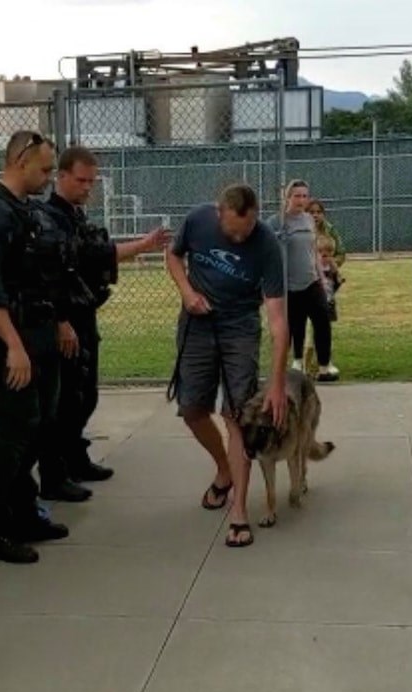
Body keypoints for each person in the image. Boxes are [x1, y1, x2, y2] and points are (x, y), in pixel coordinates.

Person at [0, 131, 70, 565]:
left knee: (37, 429)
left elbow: (46, 276)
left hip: (40, 334)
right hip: (15, 340)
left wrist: (61, 323)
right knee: (11, 437)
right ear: (20, 160)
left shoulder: (29, 213)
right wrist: (13, 346)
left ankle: (24, 515)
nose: (47, 178)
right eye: (44, 169)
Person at [166, 184, 289, 549]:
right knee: (192, 409)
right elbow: (173, 257)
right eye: (233, 231)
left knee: (238, 416)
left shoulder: (267, 244)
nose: (240, 238)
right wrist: (187, 293)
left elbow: (279, 321)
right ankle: (224, 469)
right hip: (197, 324)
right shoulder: (197, 220)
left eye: (247, 230)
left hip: (240, 328)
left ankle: (238, 511)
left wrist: (278, 383)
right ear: (219, 213)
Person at [44, 145, 170, 483]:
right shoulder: (52, 219)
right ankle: (57, 471)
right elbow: (93, 256)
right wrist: (144, 246)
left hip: (83, 314)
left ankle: (74, 458)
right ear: (62, 176)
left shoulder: (73, 216)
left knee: (84, 393)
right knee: (69, 397)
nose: (88, 187)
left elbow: (99, 256)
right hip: (67, 317)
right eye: (81, 180)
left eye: (92, 182)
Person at [271, 180, 339, 382]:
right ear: (287, 197)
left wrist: (321, 278)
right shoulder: (277, 222)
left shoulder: (309, 220)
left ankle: (324, 366)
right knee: (294, 325)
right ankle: (296, 362)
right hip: (289, 285)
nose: (301, 200)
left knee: (322, 321)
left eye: (304, 196)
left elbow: (314, 251)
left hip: (312, 282)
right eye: (297, 195)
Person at [308, 199, 346, 266]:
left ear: (323, 214)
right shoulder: (301, 231)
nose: (315, 215)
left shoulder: (330, 229)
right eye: (311, 212)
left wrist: (333, 262)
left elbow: (341, 253)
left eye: (319, 212)